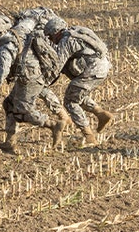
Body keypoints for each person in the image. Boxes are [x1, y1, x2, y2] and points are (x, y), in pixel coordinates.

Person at [0, 14, 68, 155]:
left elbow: (3, 69)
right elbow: (32, 19)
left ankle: (53, 125)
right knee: (9, 104)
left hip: (30, 78)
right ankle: (10, 142)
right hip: (30, 76)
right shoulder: (19, 29)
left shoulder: (5, 47)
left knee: (23, 111)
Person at [44, 17, 113, 147]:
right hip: (103, 66)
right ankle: (101, 114)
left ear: (56, 32)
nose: (50, 40)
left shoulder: (66, 41)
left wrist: (45, 80)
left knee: (70, 101)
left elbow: (57, 65)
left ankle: (89, 137)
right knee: (78, 93)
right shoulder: (79, 30)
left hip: (92, 70)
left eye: (50, 36)